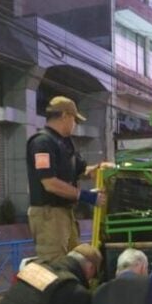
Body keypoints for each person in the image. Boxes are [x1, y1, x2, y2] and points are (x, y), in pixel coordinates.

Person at [26, 96, 112, 263]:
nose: (75, 124)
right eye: (74, 119)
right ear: (65, 115)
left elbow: (81, 169)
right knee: (55, 265)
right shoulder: (42, 143)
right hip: (49, 215)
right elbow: (49, 183)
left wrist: (99, 168)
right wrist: (87, 196)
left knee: (75, 262)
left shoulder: (64, 143)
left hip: (65, 213)